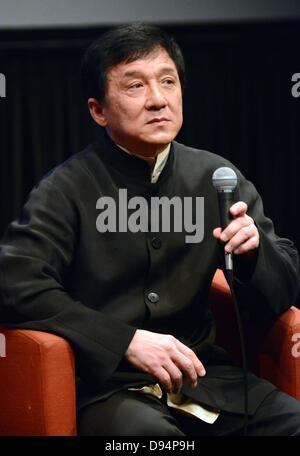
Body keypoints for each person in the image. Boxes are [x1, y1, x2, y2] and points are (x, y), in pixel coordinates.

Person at [0, 23, 300, 436]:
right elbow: (15, 284)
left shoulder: (216, 177)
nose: (158, 100)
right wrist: (123, 340)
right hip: (111, 389)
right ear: (98, 110)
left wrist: (254, 255)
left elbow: (284, 287)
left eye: (168, 82)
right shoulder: (65, 189)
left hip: (209, 380)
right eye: (135, 86)